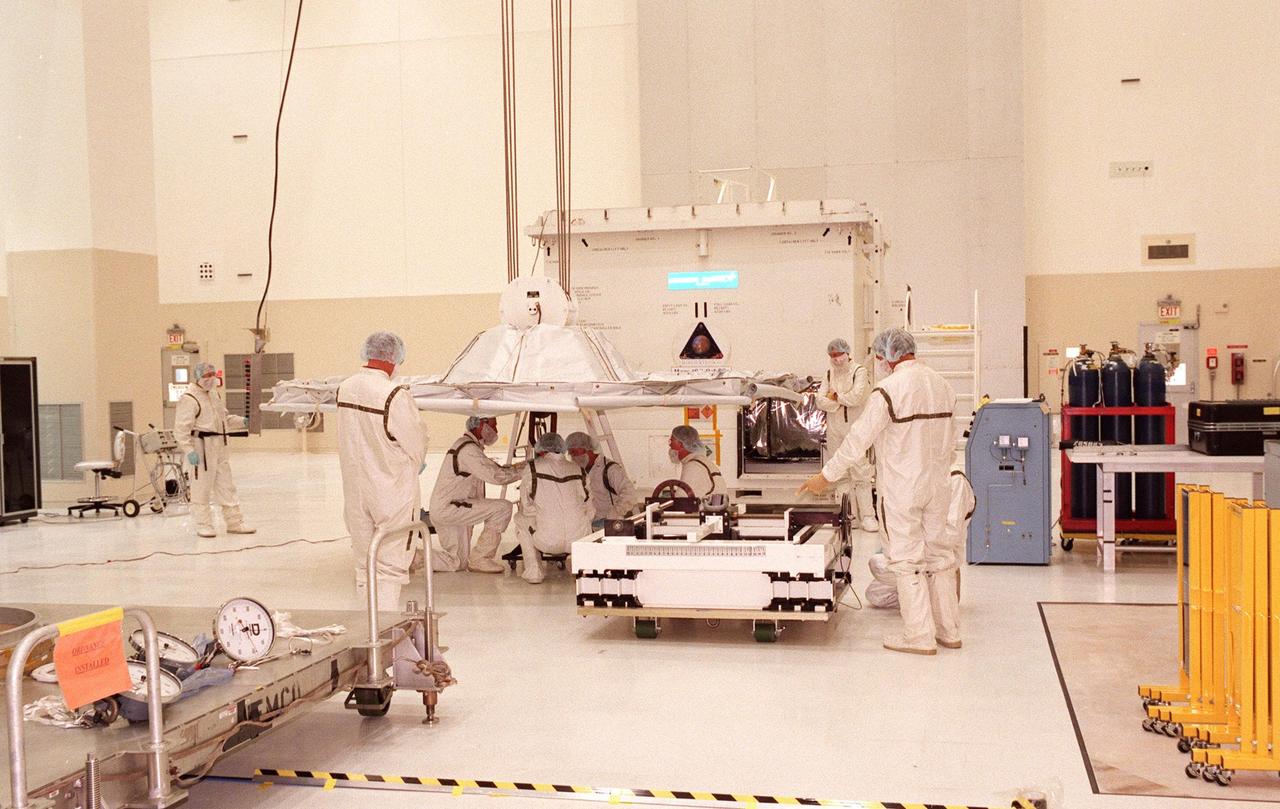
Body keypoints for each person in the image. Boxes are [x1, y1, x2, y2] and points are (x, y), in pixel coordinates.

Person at [798, 327, 957, 655]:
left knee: (907, 559)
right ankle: (949, 631)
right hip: (939, 484)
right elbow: (950, 439)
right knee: (940, 555)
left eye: (880, 356)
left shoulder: (887, 390)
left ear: (887, 356)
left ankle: (919, 636)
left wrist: (825, 476)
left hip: (903, 487)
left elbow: (857, 440)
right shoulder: (942, 385)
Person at [337, 332, 427, 607]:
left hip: (356, 490)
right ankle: (384, 633)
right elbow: (415, 441)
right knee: (389, 566)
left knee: (365, 566)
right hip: (391, 491)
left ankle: (366, 629)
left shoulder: (345, 387)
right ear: (394, 359)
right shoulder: (394, 394)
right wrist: (418, 460)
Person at [866, 468, 975, 617]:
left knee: (877, 564)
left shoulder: (956, 481)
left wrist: (911, 544)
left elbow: (949, 536)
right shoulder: (920, 477)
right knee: (874, 594)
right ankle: (925, 596)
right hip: (916, 553)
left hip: (939, 558)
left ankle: (936, 597)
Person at [429, 415, 520, 573]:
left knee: (456, 563)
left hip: (451, 508)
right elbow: (496, 475)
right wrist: (525, 470)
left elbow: (492, 469)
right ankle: (481, 558)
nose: (496, 431)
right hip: (451, 509)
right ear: (481, 425)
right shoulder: (468, 450)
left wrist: (517, 468)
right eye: (494, 425)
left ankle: (410, 558)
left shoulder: (469, 446)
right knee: (502, 507)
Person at [174, 362, 254, 538]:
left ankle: (235, 522)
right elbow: (180, 430)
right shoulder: (189, 398)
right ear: (197, 377)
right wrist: (189, 451)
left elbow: (224, 419)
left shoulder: (214, 395)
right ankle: (204, 524)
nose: (210, 379)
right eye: (206, 376)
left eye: (212, 375)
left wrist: (243, 421)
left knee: (227, 486)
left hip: (219, 446)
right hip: (201, 449)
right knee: (201, 488)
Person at [813, 338, 878, 531]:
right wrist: (840, 401)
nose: (836, 359)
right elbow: (819, 401)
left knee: (861, 473)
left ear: (847, 353)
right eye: (832, 355)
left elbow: (857, 398)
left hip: (856, 429)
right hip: (835, 430)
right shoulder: (829, 373)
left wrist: (836, 397)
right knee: (840, 475)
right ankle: (848, 517)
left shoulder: (860, 371)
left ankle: (868, 516)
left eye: (839, 354)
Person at [515, 433, 593, 584]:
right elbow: (589, 504)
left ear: (541, 450)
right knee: (583, 516)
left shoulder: (532, 468)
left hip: (546, 540)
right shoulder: (578, 469)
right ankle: (578, 562)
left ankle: (534, 571)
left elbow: (526, 505)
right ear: (562, 449)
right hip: (578, 540)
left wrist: (542, 515)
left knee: (520, 519)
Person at [566, 432, 638, 521]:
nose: (572, 457)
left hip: (609, 524)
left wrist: (613, 514)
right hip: (588, 524)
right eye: (570, 454)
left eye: (574, 452)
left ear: (587, 448)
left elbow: (630, 495)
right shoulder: (579, 472)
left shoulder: (610, 469)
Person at [669, 424, 724, 499]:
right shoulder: (700, 461)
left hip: (707, 509)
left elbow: (681, 500)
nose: (670, 445)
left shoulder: (693, 466)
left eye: (671, 441)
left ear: (681, 444)